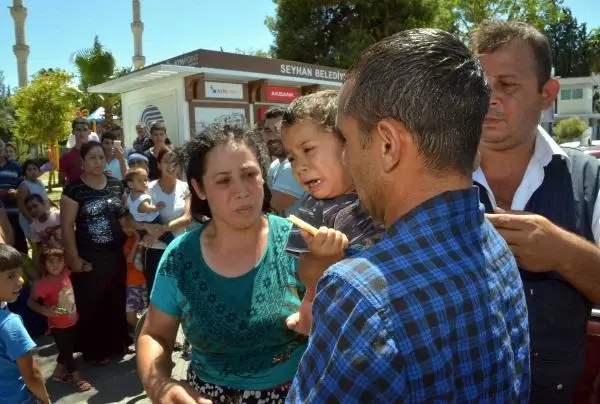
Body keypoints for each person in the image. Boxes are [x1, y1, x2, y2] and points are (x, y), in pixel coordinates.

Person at [287, 29, 531, 403]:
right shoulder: (497, 245)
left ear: (388, 144)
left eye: (348, 141)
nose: (348, 159)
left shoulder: (361, 293)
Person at [470, 20, 600, 403]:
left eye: (507, 85)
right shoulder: (432, 176)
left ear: (548, 94)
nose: (488, 99)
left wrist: (562, 253)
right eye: (478, 86)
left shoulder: (588, 179)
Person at [137, 125, 306, 404]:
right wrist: (161, 388)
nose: (242, 191)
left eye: (250, 174)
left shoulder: (297, 241)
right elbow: (155, 335)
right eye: (223, 181)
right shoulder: (180, 257)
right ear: (199, 188)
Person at [280, 90, 384, 335]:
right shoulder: (311, 207)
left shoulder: (384, 190)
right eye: (292, 157)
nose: (299, 167)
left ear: (348, 143)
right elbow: (304, 275)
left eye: (308, 149)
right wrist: (323, 259)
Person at [60, 141, 132, 365]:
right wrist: (73, 257)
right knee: (93, 302)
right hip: (90, 256)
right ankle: (95, 350)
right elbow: (67, 225)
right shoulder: (74, 189)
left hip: (116, 253)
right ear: (82, 162)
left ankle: (118, 343)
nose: (98, 162)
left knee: (115, 297)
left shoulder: (115, 184)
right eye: (92, 157)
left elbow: (124, 216)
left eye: (101, 157)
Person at [27, 247, 92, 392]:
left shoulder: (66, 273)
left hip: (73, 318)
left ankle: (57, 373)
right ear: (44, 264)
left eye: (59, 261)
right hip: (58, 324)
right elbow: (30, 302)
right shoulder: (42, 284)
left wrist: (84, 268)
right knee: (67, 352)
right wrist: (44, 310)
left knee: (68, 347)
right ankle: (77, 378)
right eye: (50, 262)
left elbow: (76, 269)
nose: (55, 265)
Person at [0, 244, 51, 404]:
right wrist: (45, 399)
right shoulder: (10, 323)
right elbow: (31, 374)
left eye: (20, 273)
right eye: (11, 276)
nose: (21, 280)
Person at [140, 148, 191, 296]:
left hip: (179, 248)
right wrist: (146, 228)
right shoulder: (148, 188)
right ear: (159, 164)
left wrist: (160, 230)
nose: (171, 166)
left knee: (180, 295)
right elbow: (135, 217)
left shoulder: (185, 187)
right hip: (155, 250)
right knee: (156, 296)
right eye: (166, 161)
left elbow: (187, 218)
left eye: (175, 162)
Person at [125, 167, 173, 270]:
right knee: (169, 237)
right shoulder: (142, 196)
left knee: (147, 238)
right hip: (153, 220)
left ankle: (140, 252)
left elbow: (130, 208)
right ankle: (174, 250)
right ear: (130, 184)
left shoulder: (130, 196)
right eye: (140, 180)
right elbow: (145, 208)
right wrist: (156, 207)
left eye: (146, 180)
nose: (145, 183)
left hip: (140, 223)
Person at [262, 107, 305, 216]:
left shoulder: (292, 165)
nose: (272, 137)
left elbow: (270, 210)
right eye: (268, 131)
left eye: (279, 130)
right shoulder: (275, 165)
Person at [0, 139, 26, 253]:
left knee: (20, 246)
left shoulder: (15, 166)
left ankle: (23, 269)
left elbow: (23, 187)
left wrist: (16, 192)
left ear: (3, 149)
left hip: (14, 212)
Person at [122, 223, 147, 339]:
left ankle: (145, 336)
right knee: (131, 317)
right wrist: (136, 239)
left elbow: (132, 260)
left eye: (127, 225)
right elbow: (129, 260)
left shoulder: (145, 237)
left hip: (141, 282)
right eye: (123, 227)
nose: (125, 229)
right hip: (130, 283)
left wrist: (138, 238)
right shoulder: (127, 240)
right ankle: (143, 334)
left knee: (140, 314)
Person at [16, 160, 50, 244]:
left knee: (45, 243)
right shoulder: (24, 186)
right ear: (25, 173)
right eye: (29, 170)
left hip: (42, 218)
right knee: (36, 245)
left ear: (39, 171)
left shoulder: (40, 182)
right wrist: (32, 221)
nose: (33, 172)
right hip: (30, 221)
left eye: (35, 169)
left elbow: (44, 198)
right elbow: (21, 207)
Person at [60, 118, 90, 185]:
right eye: (78, 130)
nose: (81, 133)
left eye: (85, 130)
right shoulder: (65, 157)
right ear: (73, 132)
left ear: (89, 132)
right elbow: (63, 182)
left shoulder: (98, 154)